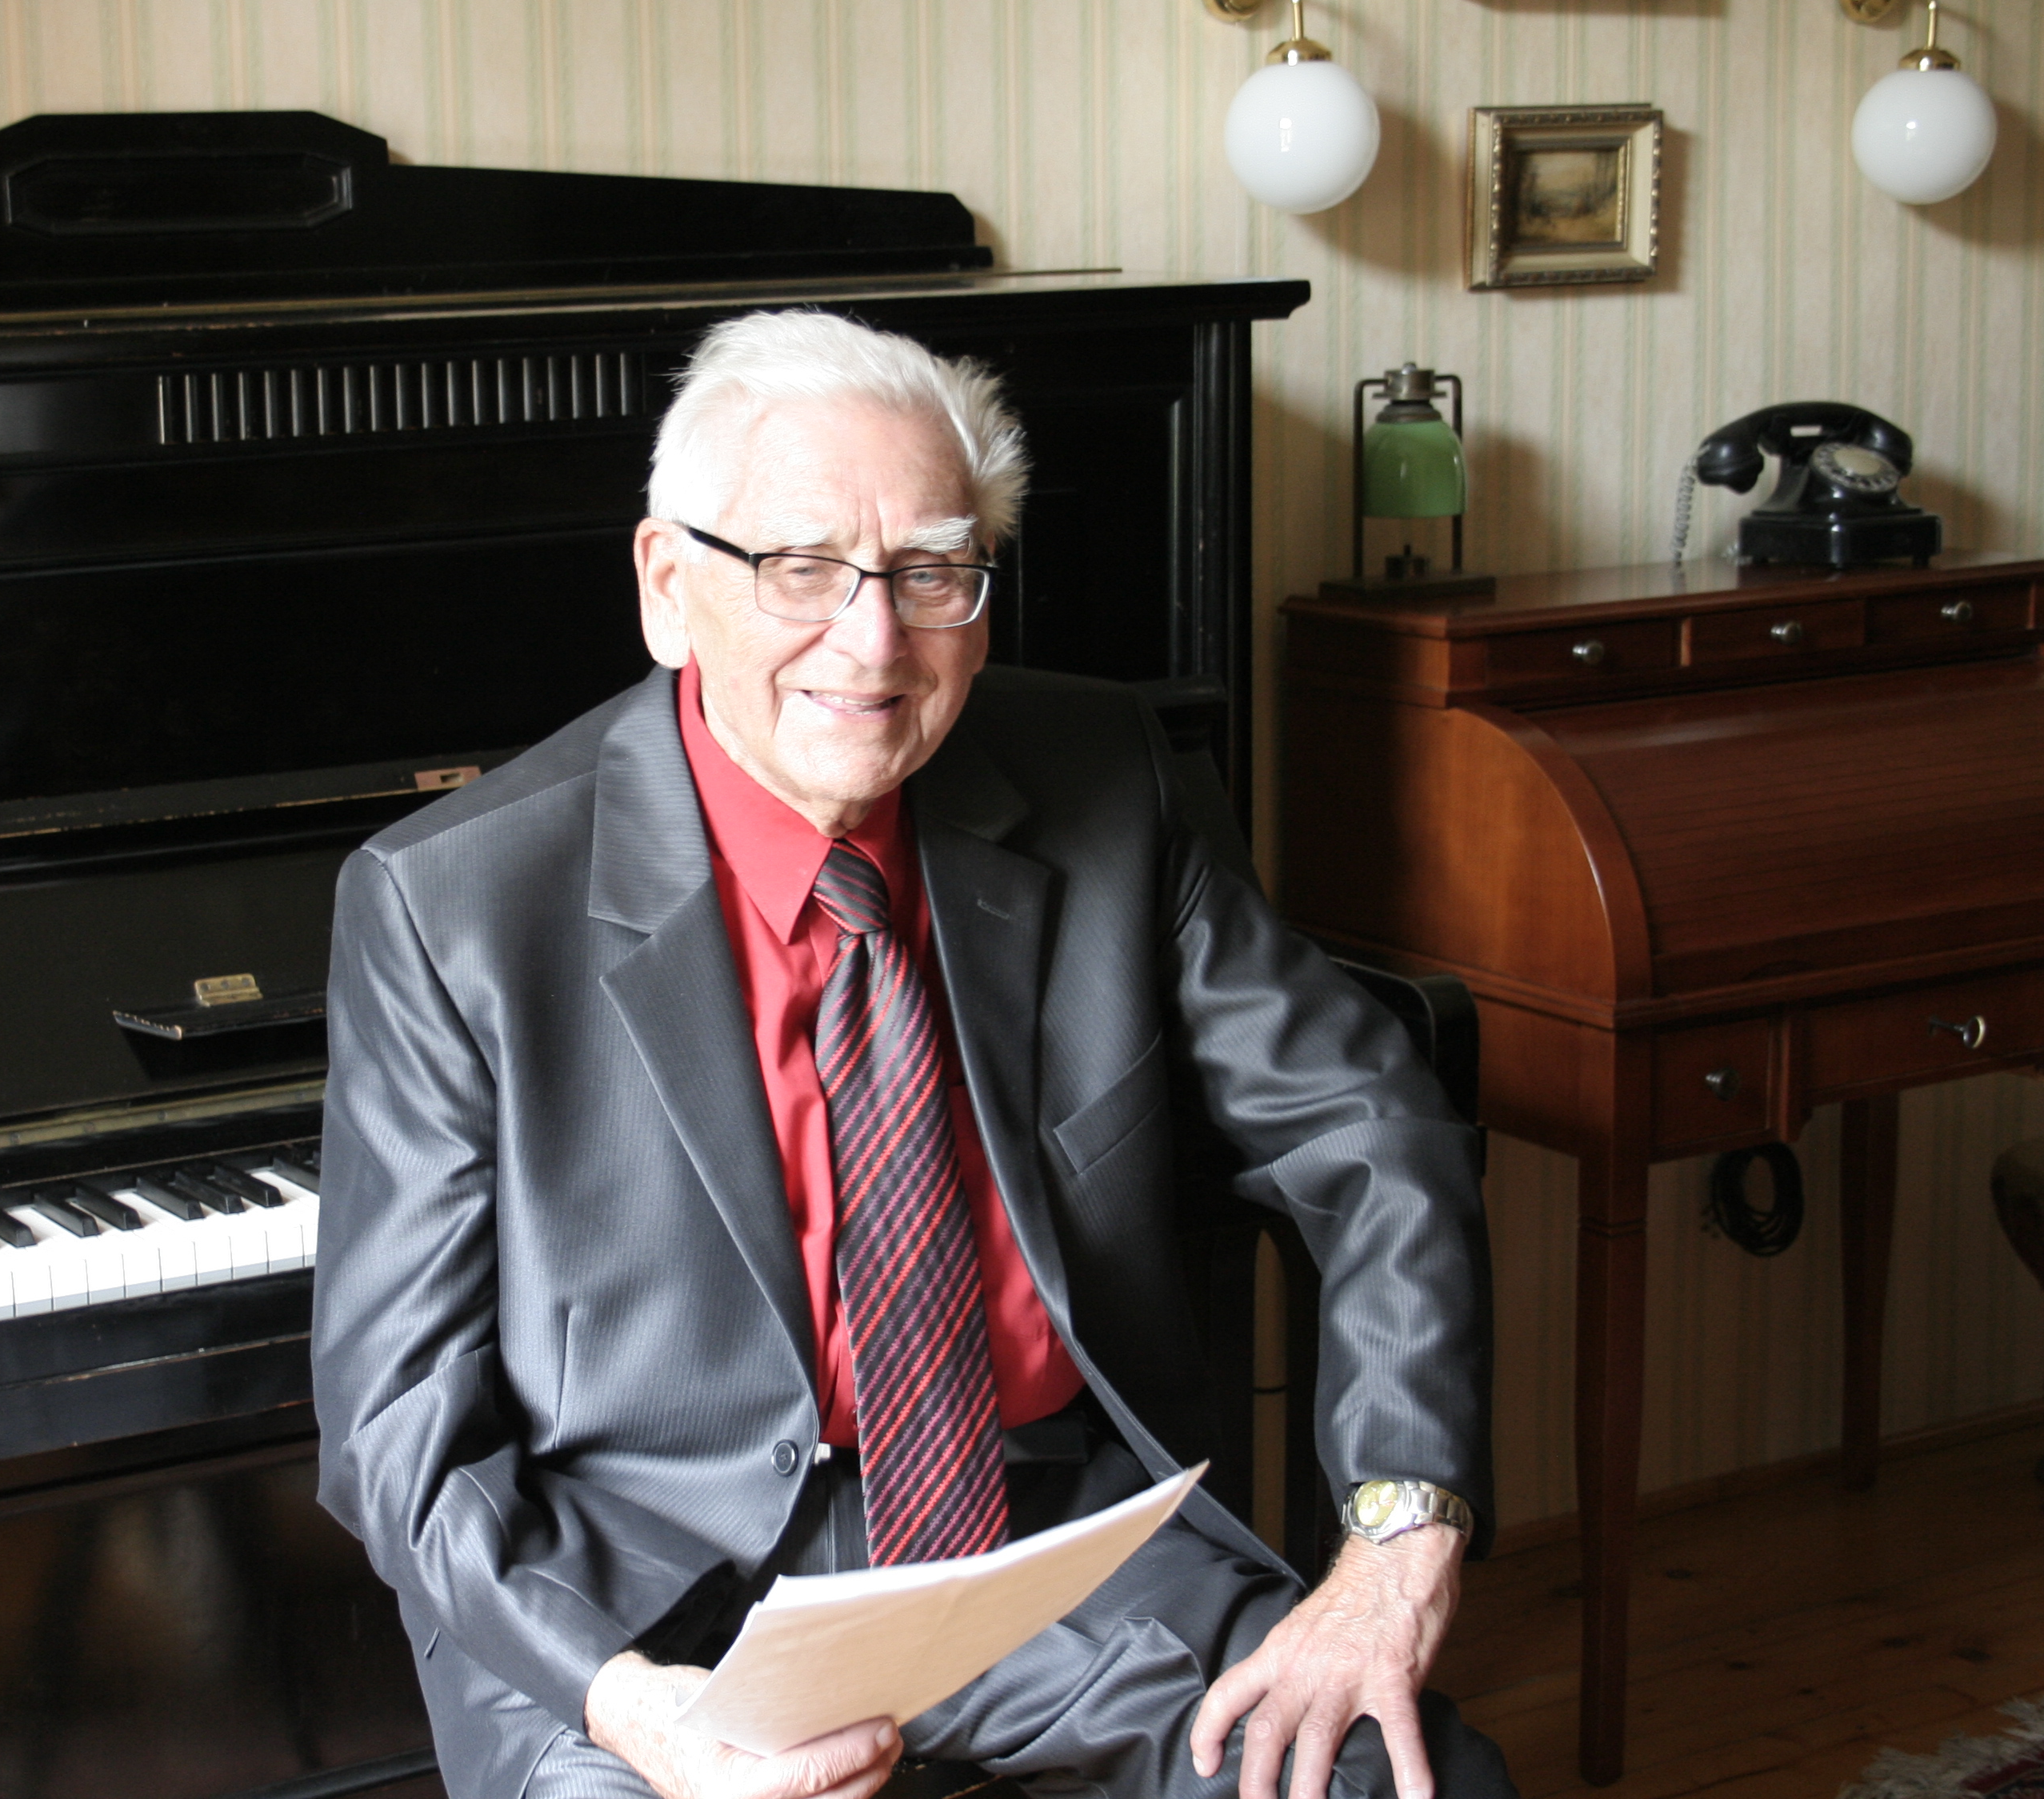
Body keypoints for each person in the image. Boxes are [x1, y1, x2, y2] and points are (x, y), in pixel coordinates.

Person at [314, 310, 1510, 1799]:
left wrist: (1399, 1537)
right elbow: (396, 1432)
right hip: (631, 1600)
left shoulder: (1111, 779)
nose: (873, 641)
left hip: (1036, 1543)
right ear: (668, 586)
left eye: (932, 571)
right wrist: (637, 1711)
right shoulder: (450, 902)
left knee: (1402, 1784)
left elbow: (1371, 1132)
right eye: (801, 567)